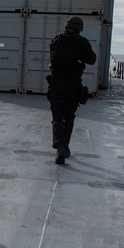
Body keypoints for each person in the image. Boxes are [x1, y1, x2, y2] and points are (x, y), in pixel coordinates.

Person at [47, 16, 96, 164]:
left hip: (56, 84)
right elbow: (92, 60)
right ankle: (65, 147)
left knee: (57, 117)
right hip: (73, 86)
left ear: (67, 26)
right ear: (80, 28)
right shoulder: (82, 42)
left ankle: (59, 146)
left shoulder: (56, 40)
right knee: (69, 117)